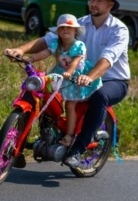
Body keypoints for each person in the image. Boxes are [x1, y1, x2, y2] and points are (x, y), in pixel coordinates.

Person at [4, 0, 129, 168]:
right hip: (77, 75)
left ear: (110, 5)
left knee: (100, 96)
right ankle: (39, 137)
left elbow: (108, 58)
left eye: (100, 1)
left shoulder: (119, 30)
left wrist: (90, 77)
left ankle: (77, 150)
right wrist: (20, 50)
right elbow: (49, 40)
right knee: (44, 88)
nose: (94, 4)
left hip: (112, 80)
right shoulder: (79, 24)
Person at [23, 14, 102, 147]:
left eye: (69, 28)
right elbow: (45, 53)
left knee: (70, 105)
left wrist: (69, 72)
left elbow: (76, 61)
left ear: (75, 31)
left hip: (75, 77)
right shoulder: (56, 44)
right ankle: (47, 130)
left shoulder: (79, 45)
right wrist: (31, 59)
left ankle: (69, 135)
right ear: (58, 31)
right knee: (46, 98)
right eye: (62, 28)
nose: (66, 30)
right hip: (60, 75)